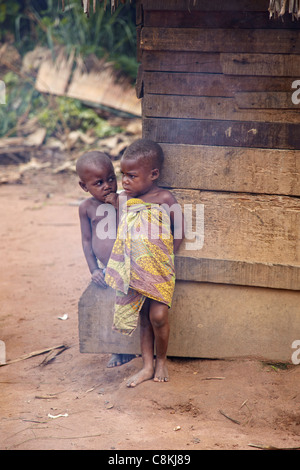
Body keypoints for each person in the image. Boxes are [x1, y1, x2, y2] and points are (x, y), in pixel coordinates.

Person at [105, 139, 184, 387]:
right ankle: (147, 366)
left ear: (153, 174)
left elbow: (179, 228)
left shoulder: (164, 198)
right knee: (143, 317)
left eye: (132, 176)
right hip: (134, 272)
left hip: (159, 270)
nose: (125, 181)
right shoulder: (124, 199)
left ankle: (161, 360)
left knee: (158, 316)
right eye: (123, 175)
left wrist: (169, 256)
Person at [76, 150, 135, 368]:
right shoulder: (86, 208)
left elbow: (132, 226)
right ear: (84, 186)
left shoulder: (125, 200)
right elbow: (86, 241)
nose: (108, 185)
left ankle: (134, 347)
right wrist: (94, 270)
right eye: (99, 182)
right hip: (106, 268)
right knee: (110, 306)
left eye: (111, 178)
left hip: (130, 265)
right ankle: (118, 349)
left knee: (129, 306)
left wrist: (118, 205)